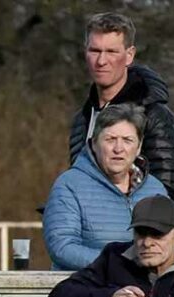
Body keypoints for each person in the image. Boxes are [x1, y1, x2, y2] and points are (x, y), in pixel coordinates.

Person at [68, 11, 174, 201]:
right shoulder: (81, 120)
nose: (101, 61)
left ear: (129, 55)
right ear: (85, 52)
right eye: (95, 51)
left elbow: (164, 197)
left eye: (112, 52)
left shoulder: (156, 117)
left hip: (134, 227)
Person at [44, 103, 167, 271]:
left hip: (144, 289)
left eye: (127, 140)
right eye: (110, 139)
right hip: (85, 290)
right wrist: (120, 264)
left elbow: (170, 242)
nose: (118, 148)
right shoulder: (69, 185)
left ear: (138, 147)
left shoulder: (155, 189)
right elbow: (62, 247)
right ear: (94, 144)